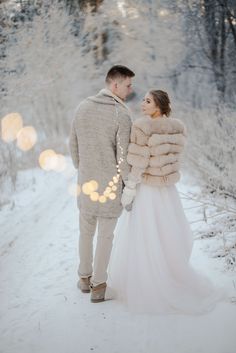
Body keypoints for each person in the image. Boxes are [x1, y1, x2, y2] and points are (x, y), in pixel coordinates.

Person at [108, 90, 227, 315]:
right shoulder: (177, 127)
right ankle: (171, 275)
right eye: (143, 100)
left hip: (148, 189)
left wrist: (130, 188)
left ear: (159, 105)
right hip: (168, 190)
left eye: (148, 101)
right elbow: (175, 159)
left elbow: (139, 163)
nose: (143, 104)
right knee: (166, 234)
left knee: (146, 236)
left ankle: (150, 283)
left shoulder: (143, 126)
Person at [69, 65, 135, 303]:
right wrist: (129, 186)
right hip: (110, 185)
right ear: (114, 85)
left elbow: (73, 145)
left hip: (86, 183)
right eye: (128, 85)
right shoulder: (122, 114)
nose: (130, 89)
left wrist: (83, 169)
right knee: (105, 236)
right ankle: (99, 286)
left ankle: (84, 278)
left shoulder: (82, 107)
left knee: (85, 232)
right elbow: (124, 156)